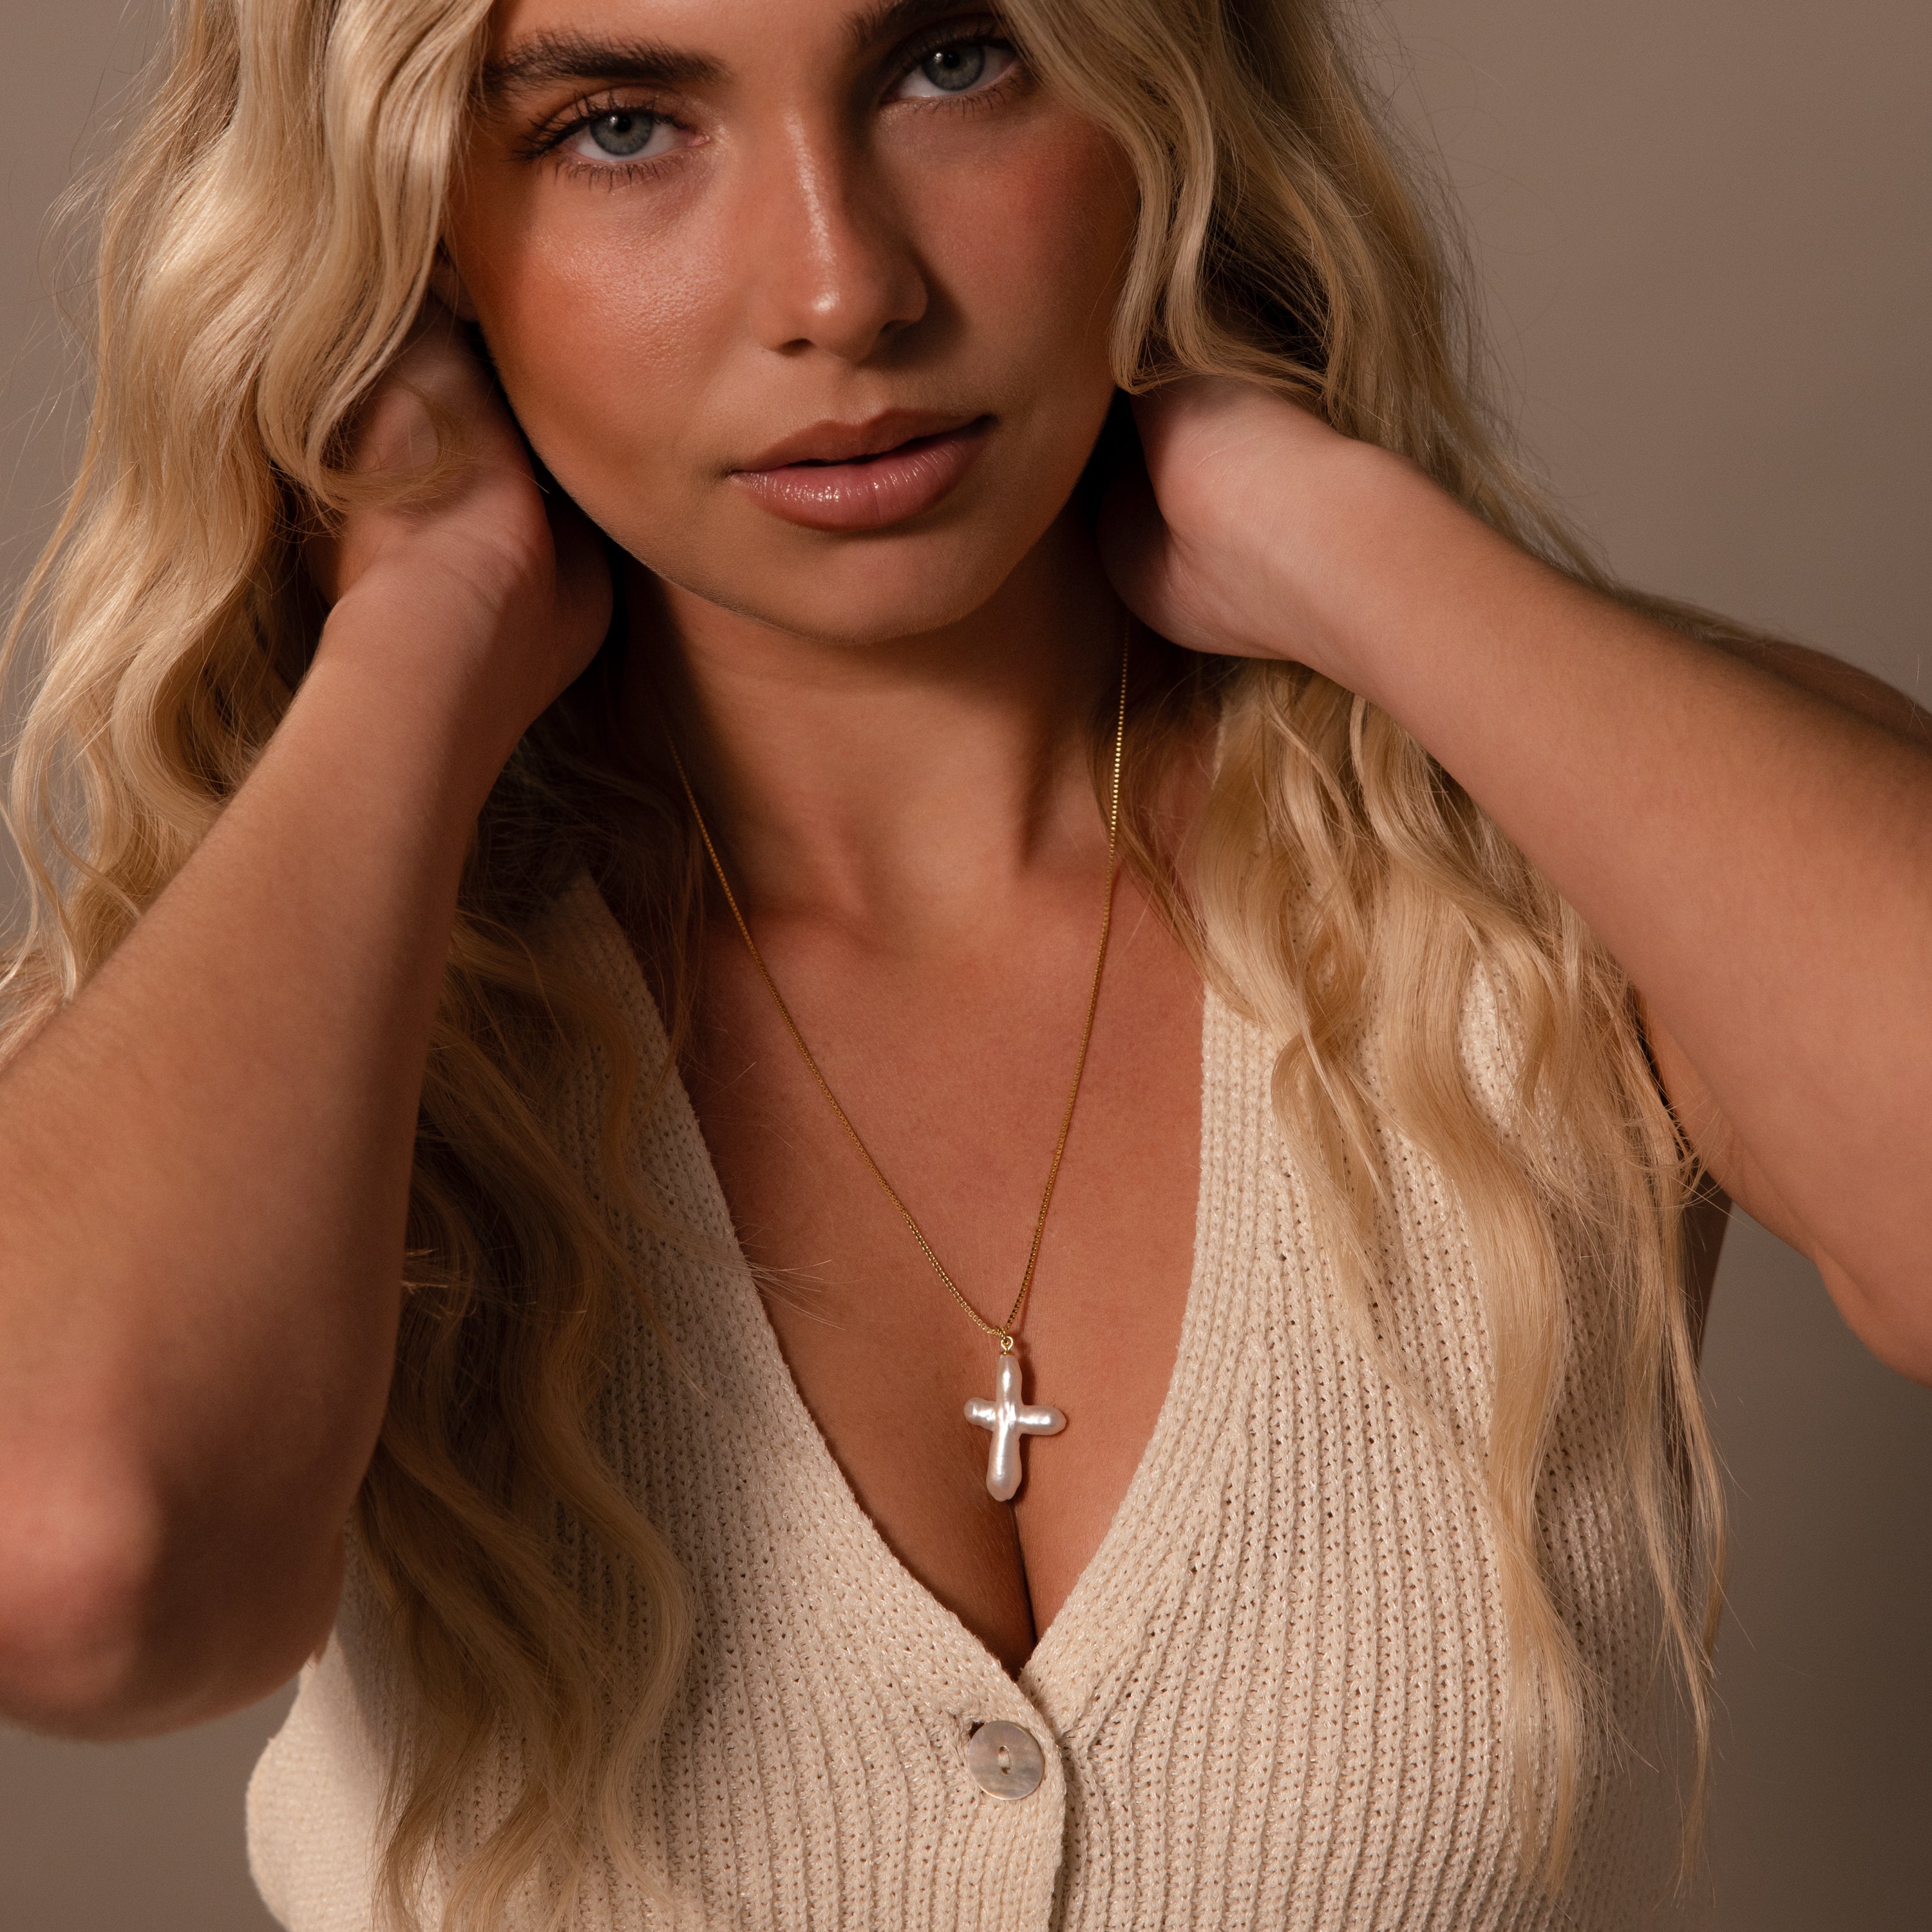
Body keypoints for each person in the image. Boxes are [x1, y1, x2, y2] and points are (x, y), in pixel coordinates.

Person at [1, 0, 1926, 1926]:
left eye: (952, 60)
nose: (842, 292)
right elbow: (73, 1568)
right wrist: (427, 621)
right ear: (416, 234)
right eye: (616, 127)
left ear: (1166, 96)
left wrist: (1337, 536)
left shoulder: (1546, 851)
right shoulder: (301, 992)